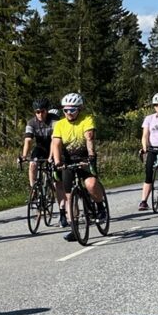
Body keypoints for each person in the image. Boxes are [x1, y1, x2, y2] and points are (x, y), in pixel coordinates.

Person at [51, 92, 107, 242]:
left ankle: (100, 207)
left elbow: (89, 137)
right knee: (69, 197)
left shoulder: (86, 119)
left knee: (91, 184)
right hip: (67, 160)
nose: (69, 113)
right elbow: (56, 144)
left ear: (79, 109)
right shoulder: (60, 125)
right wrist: (57, 161)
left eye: (72, 110)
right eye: (66, 110)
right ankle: (74, 228)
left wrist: (91, 156)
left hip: (84, 158)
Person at [20, 98, 67, 226]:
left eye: (43, 111)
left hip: (54, 147)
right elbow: (28, 141)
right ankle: (34, 188)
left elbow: (55, 140)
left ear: (47, 110)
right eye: (37, 112)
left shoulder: (54, 121)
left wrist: (52, 156)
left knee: (58, 182)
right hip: (40, 147)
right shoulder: (31, 123)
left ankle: (63, 213)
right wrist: (24, 155)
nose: (40, 114)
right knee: (33, 164)